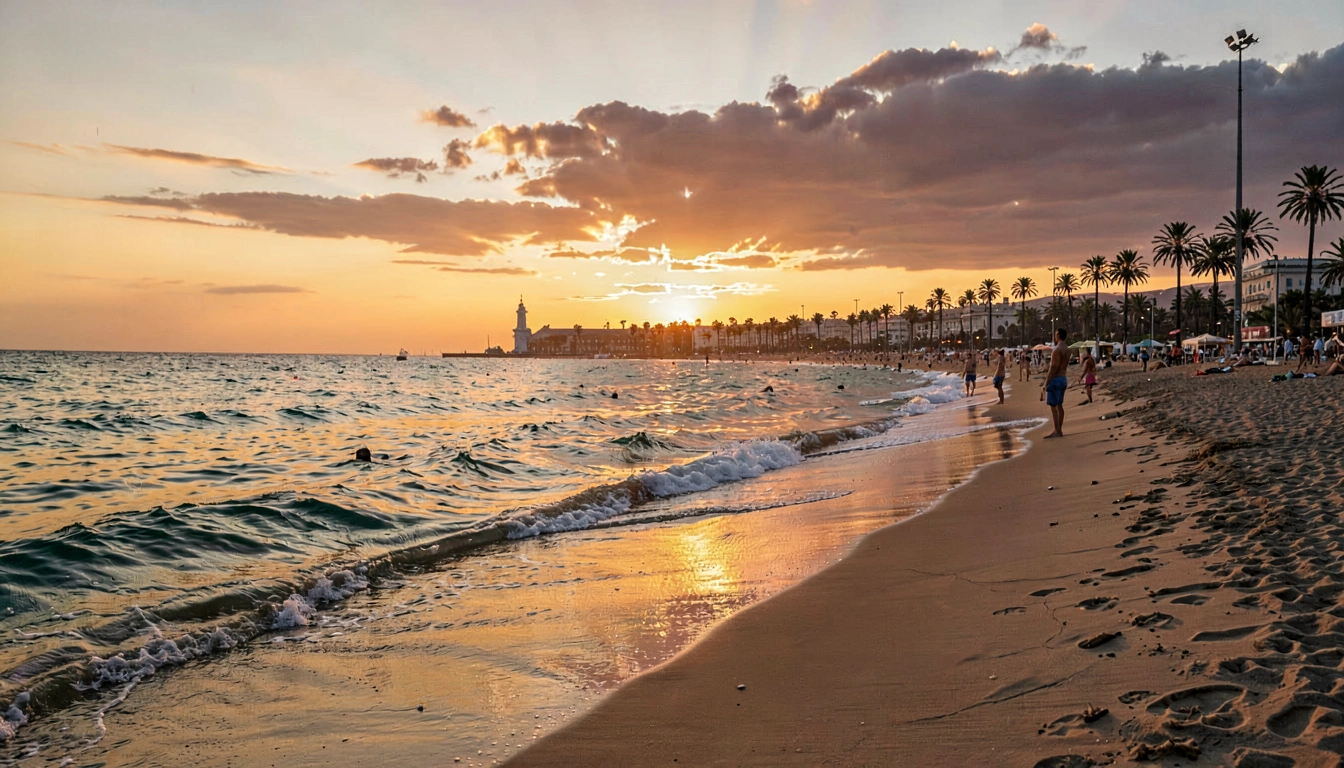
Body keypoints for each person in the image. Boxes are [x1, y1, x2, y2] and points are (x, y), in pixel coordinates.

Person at [1041, 328, 1069, 438]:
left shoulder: (1056, 350)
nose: (1054, 336)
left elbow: (1053, 367)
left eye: (1055, 334)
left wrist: (1046, 382)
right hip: (1063, 378)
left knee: (1053, 406)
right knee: (1059, 405)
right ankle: (1059, 430)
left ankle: (1057, 431)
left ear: (1057, 335)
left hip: (1056, 379)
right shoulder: (1067, 349)